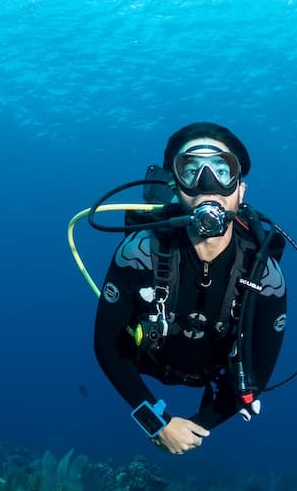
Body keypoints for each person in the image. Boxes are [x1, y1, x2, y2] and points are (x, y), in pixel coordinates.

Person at [93, 123, 287, 455]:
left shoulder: (265, 276)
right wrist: (159, 423)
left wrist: (200, 425)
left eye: (222, 170)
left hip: (211, 375)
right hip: (147, 360)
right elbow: (106, 345)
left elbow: (259, 373)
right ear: (176, 185)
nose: (207, 184)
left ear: (240, 190)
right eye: (191, 170)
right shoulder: (138, 254)